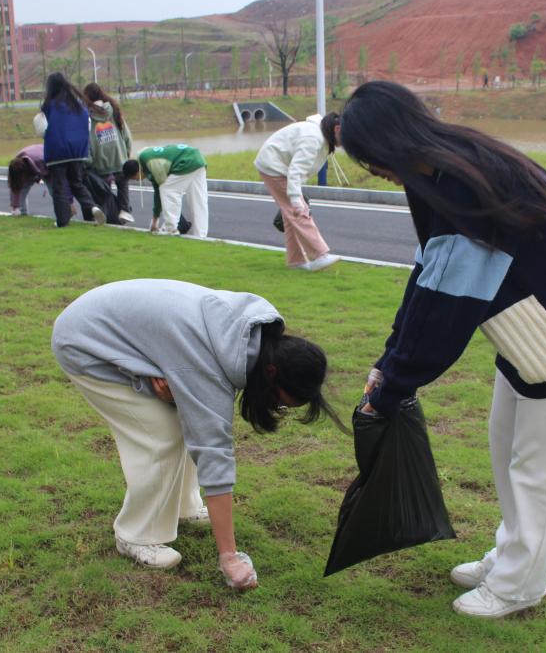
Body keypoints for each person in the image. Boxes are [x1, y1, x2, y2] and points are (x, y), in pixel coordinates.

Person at [339, 81, 546, 619]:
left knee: (541, 471)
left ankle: (519, 586)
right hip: (529, 334)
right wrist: (389, 358)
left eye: (370, 158)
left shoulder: (463, 185)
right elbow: (429, 273)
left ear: (390, 141)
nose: (373, 171)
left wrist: (396, 383)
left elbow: (447, 309)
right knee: (508, 450)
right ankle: (509, 556)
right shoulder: (438, 172)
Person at [51, 279, 339, 588]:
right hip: (84, 341)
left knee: (184, 416)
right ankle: (135, 534)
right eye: (279, 402)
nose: (275, 408)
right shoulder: (209, 367)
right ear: (271, 373)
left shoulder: (250, 337)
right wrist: (229, 557)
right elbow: (214, 455)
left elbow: (187, 375)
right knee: (160, 434)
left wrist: (174, 384)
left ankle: (183, 506)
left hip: (110, 323)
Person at [254, 113, 341, 272]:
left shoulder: (319, 135)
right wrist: (295, 199)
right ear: (337, 129)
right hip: (274, 167)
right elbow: (296, 170)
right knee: (299, 211)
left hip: (276, 165)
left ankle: (296, 261)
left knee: (291, 215)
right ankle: (320, 255)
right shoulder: (313, 138)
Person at [38, 72, 106, 228]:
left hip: (58, 152)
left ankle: (62, 221)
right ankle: (93, 207)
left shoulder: (49, 105)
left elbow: (42, 129)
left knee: (59, 187)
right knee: (77, 183)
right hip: (78, 151)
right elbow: (87, 126)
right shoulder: (79, 104)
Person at [122, 144, 208, 237]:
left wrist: (155, 220)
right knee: (198, 201)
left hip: (186, 162)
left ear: (137, 172)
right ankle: (200, 235)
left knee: (167, 190)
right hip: (197, 159)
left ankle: (171, 229)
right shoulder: (146, 162)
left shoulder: (150, 162)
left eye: (135, 178)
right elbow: (157, 191)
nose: (138, 180)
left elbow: (160, 191)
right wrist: (155, 220)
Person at [84, 82, 135, 225]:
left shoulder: (86, 117)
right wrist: (127, 152)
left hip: (100, 164)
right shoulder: (114, 110)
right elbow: (126, 135)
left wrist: (89, 160)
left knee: (104, 192)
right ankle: (124, 210)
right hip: (120, 160)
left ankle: (105, 215)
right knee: (123, 185)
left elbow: (86, 141)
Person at [7, 144, 55, 217]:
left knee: (54, 191)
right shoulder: (15, 165)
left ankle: (63, 213)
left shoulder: (40, 160)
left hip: (48, 165)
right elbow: (15, 186)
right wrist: (15, 207)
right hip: (33, 165)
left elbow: (56, 177)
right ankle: (22, 213)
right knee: (22, 188)